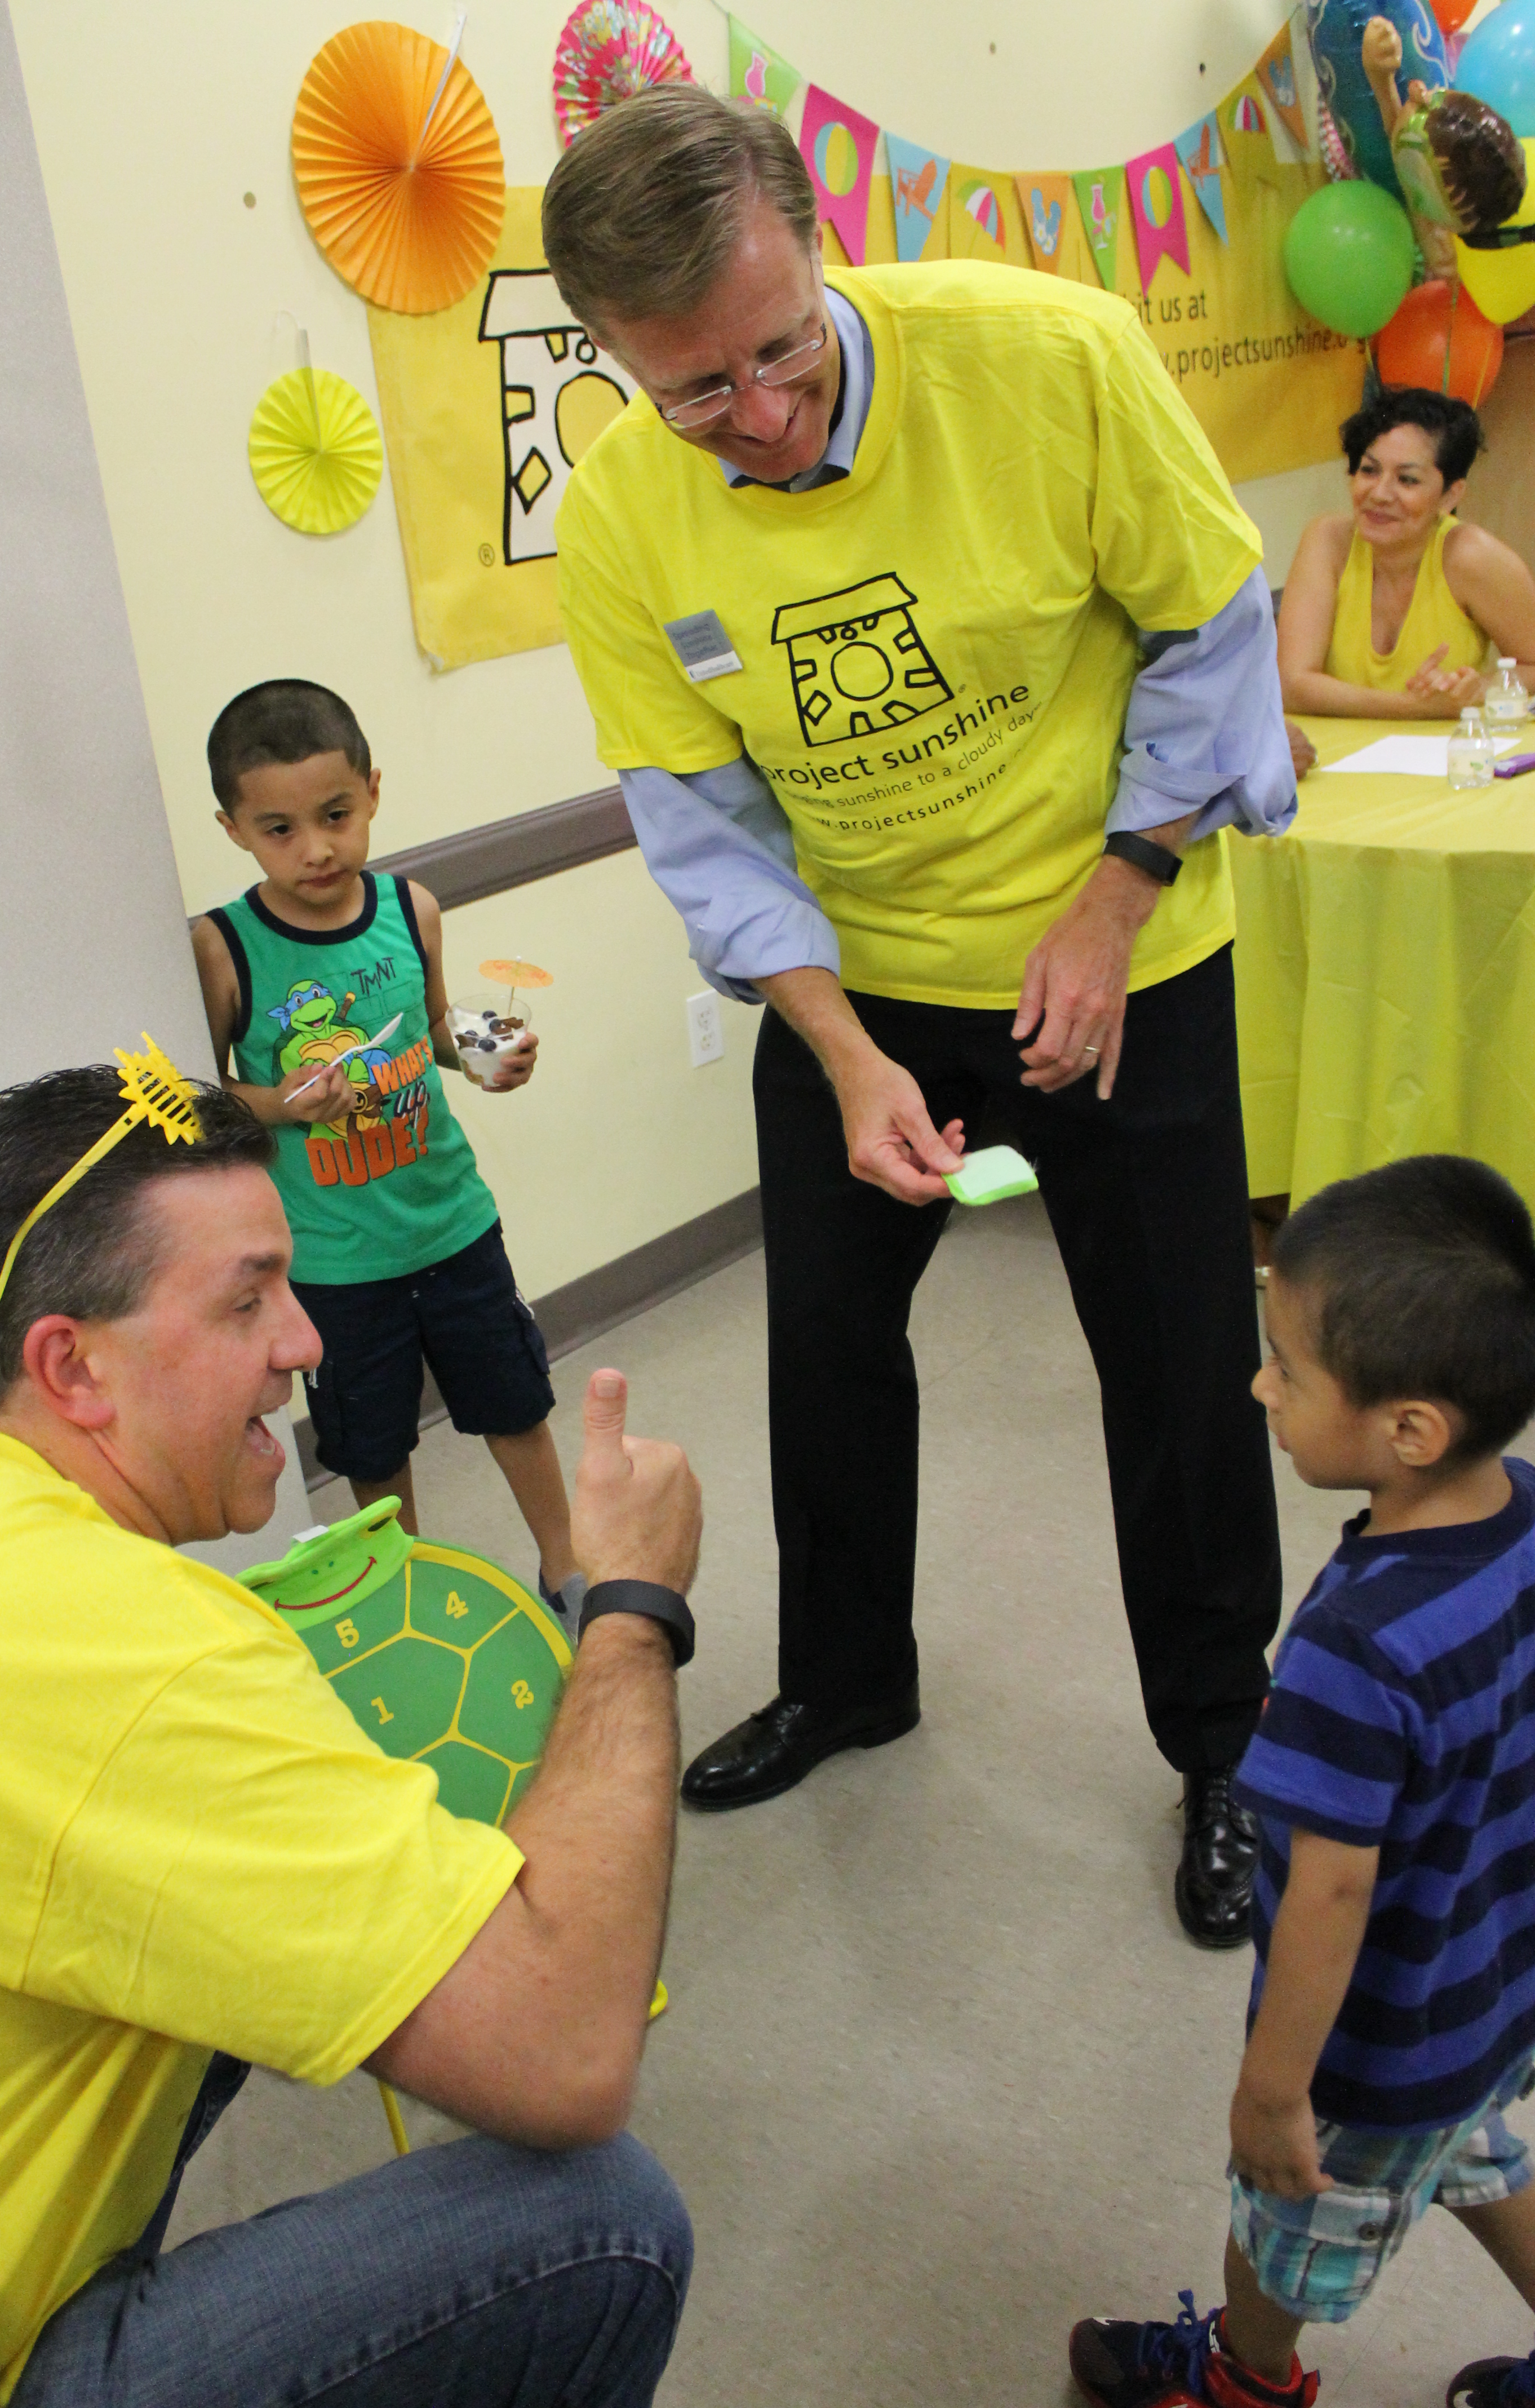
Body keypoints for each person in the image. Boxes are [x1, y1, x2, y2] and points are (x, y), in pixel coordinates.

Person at [544, 85, 1295, 1946]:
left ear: (820, 253)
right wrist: (845, 1051)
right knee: (822, 1353)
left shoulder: (1046, 357)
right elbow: (702, 825)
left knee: (1177, 1369)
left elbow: (1208, 633)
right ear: (620, 366)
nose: (763, 418)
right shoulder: (630, 514)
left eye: (780, 351)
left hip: (1121, 946)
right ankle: (845, 1675)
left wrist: (1114, 901)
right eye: (697, 391)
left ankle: (1223, 1744)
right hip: (858, 977)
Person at [0, 1060, 700, 2408]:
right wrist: (627, 1606)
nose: (303, 1344)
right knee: (604, 2216)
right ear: (71, 1365)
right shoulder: (138, 1653)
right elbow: (562, 2049)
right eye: (246, 1300)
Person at [1070, 1156, 1535, 2408]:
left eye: (1286, 1365)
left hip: (1375, 2051)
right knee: (1476, 2153)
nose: (1256, 1382)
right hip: (1490, 1988)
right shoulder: (1527, 1515)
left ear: (1406, 1430)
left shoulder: (1351, 1652)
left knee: (1284, 2224)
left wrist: (1272, 2097)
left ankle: (1240, 2377)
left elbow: (1325, 1901)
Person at [193, 680, 587, 1629]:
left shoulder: (410, 907)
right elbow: (208, 1103)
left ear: (372, 790)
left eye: (335, 815)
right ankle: (399, 1596)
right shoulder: (223, 949)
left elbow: (437, 1031)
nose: (317, 848)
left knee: (515, 1404)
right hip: (330, 1258)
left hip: (452, 1222)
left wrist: (484, 1057)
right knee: (373, 1446)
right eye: (279, 828)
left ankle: (569, 1568)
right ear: (234, 828)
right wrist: (282, 1104)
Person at [1277, 386, 1535, 721]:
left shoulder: (1473, 557)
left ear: (1449, 496)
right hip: (1334, 762)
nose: (1381, 494)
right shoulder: (1326, 541)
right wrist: (1415, 707)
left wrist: (1476, 689)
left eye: (1408, 480)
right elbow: (1292, 685)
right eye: (1369, 471)